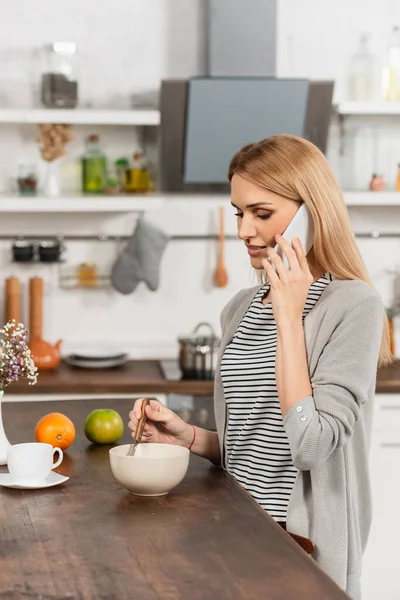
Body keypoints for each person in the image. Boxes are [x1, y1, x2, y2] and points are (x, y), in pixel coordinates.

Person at [128, 134, 391, 599]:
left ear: (311, 214)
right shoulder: (240, 308)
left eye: (262, 213)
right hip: (232, 532)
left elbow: (310, 445)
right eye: (239, 212)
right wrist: (188, 437)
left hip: (298, 549)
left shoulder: (354, 306)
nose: (245, 230)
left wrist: (289, 316)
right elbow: (255, 447)